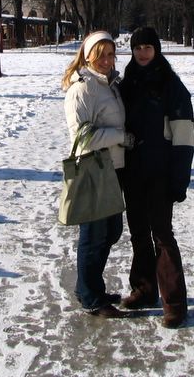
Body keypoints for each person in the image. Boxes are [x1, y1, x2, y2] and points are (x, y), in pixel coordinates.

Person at [119, 27, 194, 329]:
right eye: (137, 48)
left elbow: (184, 136)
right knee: (138, 232)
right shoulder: (127, 83)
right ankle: (144, 289)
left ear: (157, 49)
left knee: (162, 235)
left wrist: (180, 178)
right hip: (133, 171)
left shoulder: (171, 85)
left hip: (161, 172)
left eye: (148, 47)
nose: (142, 53)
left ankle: (174, 303)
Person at [62, 31, 133, 318]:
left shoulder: (109, 84)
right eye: (100, 55)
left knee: (111, 232)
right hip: (94, 168)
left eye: (111, 54)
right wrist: (121, 137)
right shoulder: (82, 89)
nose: (106, 60)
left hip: (113, 169)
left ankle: (89, 288)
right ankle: (91, 297)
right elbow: (83, 136)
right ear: (88, 56)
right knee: (94, 236)